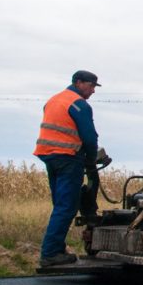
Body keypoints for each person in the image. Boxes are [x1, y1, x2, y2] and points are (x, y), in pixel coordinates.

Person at [34, 70, 101, 267]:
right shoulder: (78, 104)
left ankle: (57, 247)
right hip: (68, 158)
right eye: (91, 86)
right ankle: (50, 253)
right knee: (67, 206)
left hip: (49, 155)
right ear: (78, 82)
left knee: (60, 204)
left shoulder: (54, 100)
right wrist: (91, 158)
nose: (92, 91)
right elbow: (89, 137)